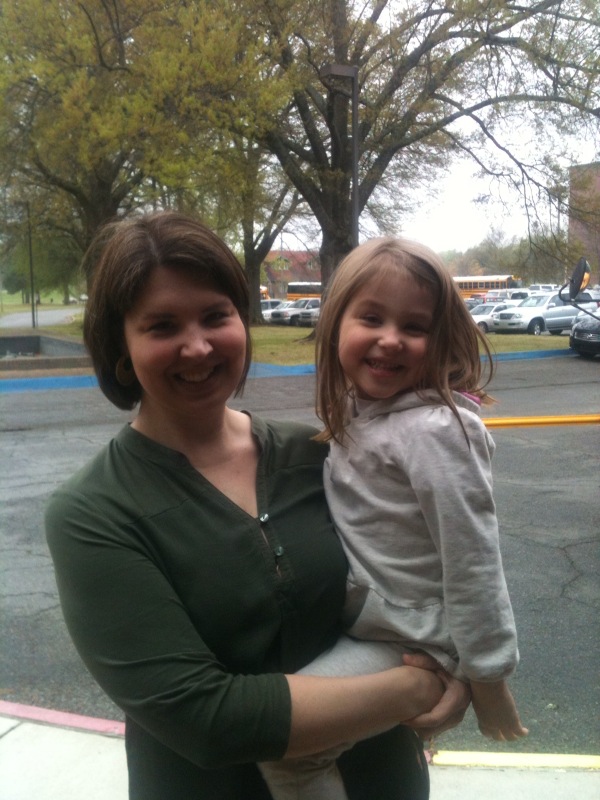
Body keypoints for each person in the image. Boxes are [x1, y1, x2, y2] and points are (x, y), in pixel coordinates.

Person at [45, 213, 470, 800]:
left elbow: (436, 568)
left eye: (216, 316)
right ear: (120, 344)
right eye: (162, 325)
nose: (198, 346)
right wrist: (417, 687)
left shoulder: (319, 453)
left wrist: (467, 665)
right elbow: (205, 718)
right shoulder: (94, 513)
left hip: (382, 779)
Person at [259, 237, 528, 800]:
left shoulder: (436, 431)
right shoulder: (362, 413)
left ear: (441, 338)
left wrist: (488, 678)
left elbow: (473, 557)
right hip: (379, 622)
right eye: (371, 318)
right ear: (335, 325)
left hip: (410, 637)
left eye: (415, 326)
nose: (390, 338)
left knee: (288, 749)